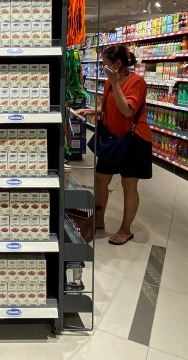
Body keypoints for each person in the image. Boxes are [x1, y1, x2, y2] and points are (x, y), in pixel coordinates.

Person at [75, 45, 152, 245]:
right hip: (111, 138)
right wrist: (92, 111)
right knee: (101, 179)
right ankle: (99, 220)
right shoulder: (110, 83)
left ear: (118, 64)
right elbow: (110, 107)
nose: (103, 68)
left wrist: (116, 83)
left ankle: (125, 230)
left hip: (134, 139)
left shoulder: (137, 82)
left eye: (106, 64)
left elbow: (127, 111)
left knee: (128, 184)